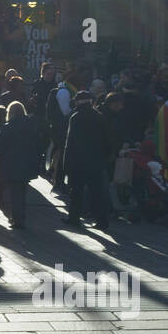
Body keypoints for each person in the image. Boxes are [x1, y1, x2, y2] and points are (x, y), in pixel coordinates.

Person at [63, 91, 112, 231]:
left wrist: (66, 164)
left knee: (76, 192)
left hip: (78, 162)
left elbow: (70, 143)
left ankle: (74, 218)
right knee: (97, 192)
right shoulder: (99, 117)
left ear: (78, 102)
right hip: (96, 161)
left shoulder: (75, 118)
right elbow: (107, 140)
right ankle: (102, 220)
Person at [0, 101, 39, 228]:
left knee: (15, 192)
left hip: (12, 163)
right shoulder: (31, 125)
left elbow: (0, 145)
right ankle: (21, 216)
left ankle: (17, 219)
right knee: (22, 191)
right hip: (28, 163)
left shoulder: (8, 126)